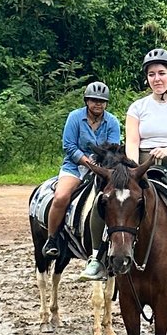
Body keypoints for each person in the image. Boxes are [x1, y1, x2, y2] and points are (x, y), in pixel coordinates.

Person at [81, 47, 167, 285]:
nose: (156, 78)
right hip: (141, 164)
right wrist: (133, 170)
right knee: (104, 201)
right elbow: (133, 141)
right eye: (151, 74)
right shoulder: (138, 107)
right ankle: (96, 258)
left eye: (161, 73)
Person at [41, 81, 121, 259]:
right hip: (75, 166)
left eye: (101, 101)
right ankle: (52, 239)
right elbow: (68, 145)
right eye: (93, 100)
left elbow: (113, 149)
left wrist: (100, 166)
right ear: (86, 101)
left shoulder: (112, 122)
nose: (97, 104)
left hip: (103, 168)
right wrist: (88, 163)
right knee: (61, 197)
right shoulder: (75, 117)